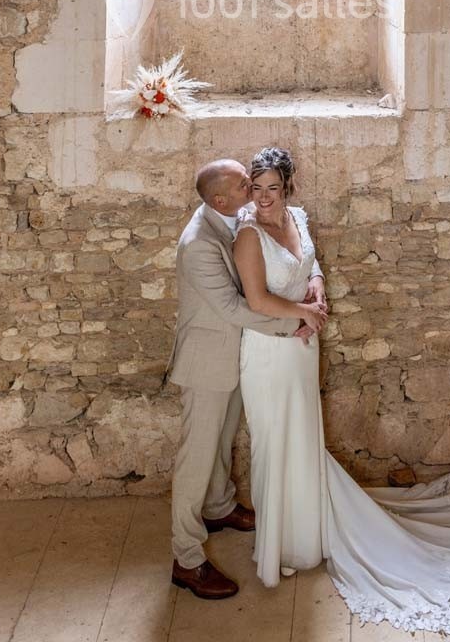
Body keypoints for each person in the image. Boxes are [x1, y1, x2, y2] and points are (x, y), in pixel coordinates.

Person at [233, 145, 450, 635]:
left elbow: (309, 263)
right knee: (274, 441)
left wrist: (318, 288)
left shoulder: (297, 217)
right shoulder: (248, 234)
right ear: (250, 188)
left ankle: (308, 535)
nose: (265, 198)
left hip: (303, 351)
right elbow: (258, 299)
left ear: (287, 188)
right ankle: (282, 543)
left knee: (303, 439)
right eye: (258, 188)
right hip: (270, 351)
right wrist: (307, 316)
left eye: (274, 189)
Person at [167, 157, 327, 600]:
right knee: (196, 457)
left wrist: (313, 279)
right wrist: (295, 325)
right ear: (222, 198)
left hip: (240, 351)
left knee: (222, 440)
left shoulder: (232, 215)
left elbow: (292, 248)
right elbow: (237, 308)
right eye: (245, 184)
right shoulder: (198, 244)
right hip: (207, 360)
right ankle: (187, 558)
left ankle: (218, 507)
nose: (254, 190)